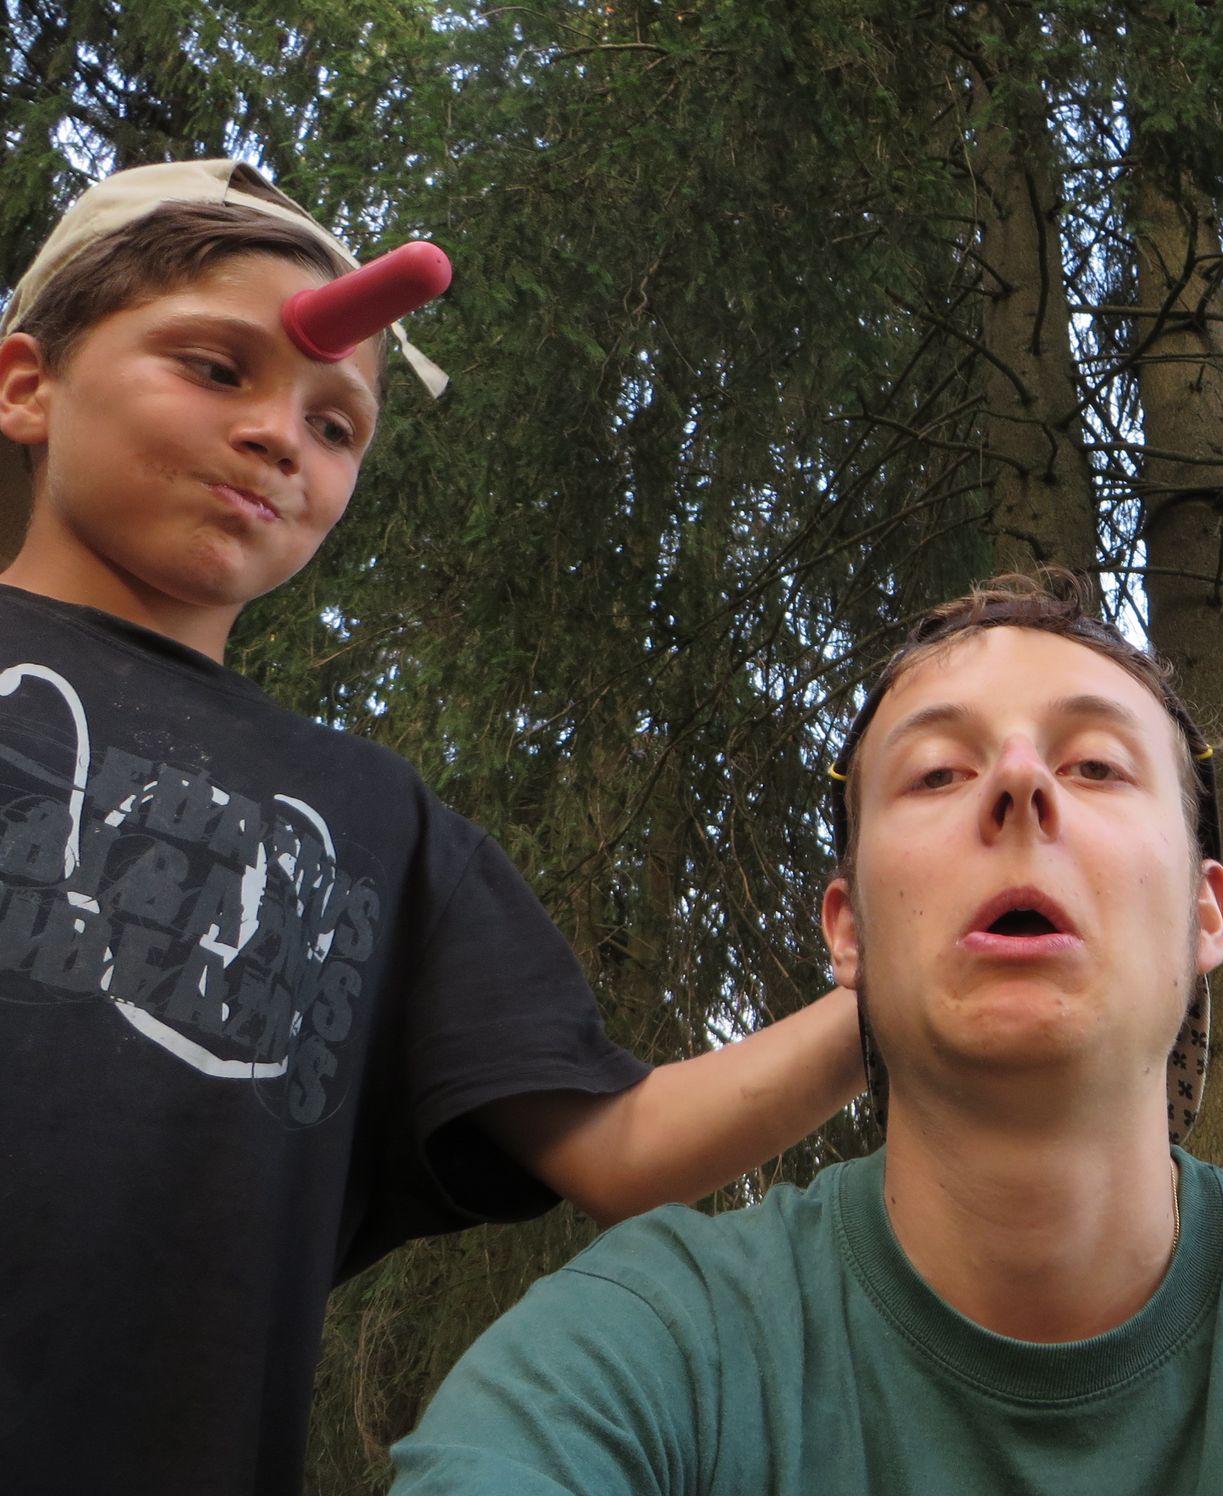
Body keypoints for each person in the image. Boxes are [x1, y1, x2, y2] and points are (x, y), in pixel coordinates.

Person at [389, 571, 1223, 1494]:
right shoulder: (652, 1345)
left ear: (1207, 912)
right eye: (938, 772)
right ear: (848, 931)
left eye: (1097, 764)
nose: (1018, 782)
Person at [0, 159, 862, 1494]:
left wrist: (893, 1002)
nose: (282, 438)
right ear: (27, 385)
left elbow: (620, 1144)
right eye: (217, 369)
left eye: (336, 425)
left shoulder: (374, 824)